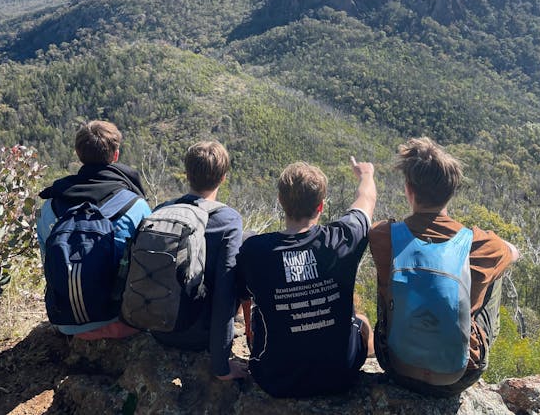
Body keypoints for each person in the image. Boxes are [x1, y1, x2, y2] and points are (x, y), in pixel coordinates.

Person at [369, 137, 519, 396]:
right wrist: (495, 246)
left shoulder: (382, 235)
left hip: (396, 367)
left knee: (389, 277)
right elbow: (515, 253)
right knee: (496, 272)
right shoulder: (480, 245)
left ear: (409, 190)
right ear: (451, 192)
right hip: (455, 378)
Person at [235, 157, 376, 398]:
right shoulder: (341, 239)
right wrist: (366, 175)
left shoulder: (255, 251)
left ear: (281, 202)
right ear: (320, 206)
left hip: (274, 378)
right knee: (361, 321)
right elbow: (366, 201)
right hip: (340, 376)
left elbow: (239, 294)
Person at [36, 120, 151, 340]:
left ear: (78, 154)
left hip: (65, 321)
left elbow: (47, 263)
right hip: (120, 320)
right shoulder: (135, 206)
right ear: (115, 155)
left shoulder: (49, 206)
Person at [150, 141, 247, 381]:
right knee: (250, 241)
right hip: (198, 336)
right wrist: (222, 365)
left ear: (187, 174)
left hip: (159, 328)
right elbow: (226, 293)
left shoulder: (162, 210)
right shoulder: (228, 220)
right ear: (223, 178)